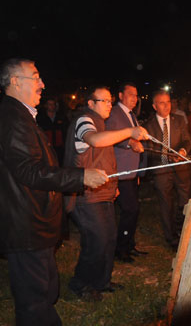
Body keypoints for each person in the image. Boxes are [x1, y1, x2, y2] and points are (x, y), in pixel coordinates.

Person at [0, 58, 109, 326]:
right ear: (15, 81)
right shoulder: (11, 118)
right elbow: (30, 171)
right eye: (36, 77)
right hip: (23, 222)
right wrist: (80, 176)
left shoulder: (21, 115)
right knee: (34, 299)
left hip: (33, 219)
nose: (43, 84)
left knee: (47, 285)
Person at [64, 85, 148, 301]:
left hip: (103, 191)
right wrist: (130, 132)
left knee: (109, 238)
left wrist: (114, 185)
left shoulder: (101, 123)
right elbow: (93, 140)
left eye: (111, 101)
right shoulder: (85, 120)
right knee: (97, 240)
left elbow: (105, 157)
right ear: (91, 103)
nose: (110, 104)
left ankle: (101, 281)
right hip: (86, 194)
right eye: (105, 101)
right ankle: (80, 283)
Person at [143, 90, 191, 249]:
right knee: (166, 203)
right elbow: (148, 150)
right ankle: (171, 237)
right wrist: (164, 156)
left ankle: (184, 230)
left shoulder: (178, 120)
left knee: (184, 201)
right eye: (162, 103)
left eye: (168, 102)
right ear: (154, 106)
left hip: (181, 168)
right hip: (161, 170)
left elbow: (187, 140)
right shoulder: (148, 126)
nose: (167, 106)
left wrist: (183, 151)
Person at [106, 82, 147, 264]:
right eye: (131, 94)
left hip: (131, 171)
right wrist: (129, 143)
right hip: (120, 171)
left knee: (133, 210)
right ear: (121, 95)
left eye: (136, 95)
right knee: (130, 210)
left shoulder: (131, 115)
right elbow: (110, 136)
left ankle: (129, 244)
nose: (134, 98)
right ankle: (120, 249)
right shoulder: (115, 113)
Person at [37, 96, 69, 163]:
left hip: (60, 148)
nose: (52, 106)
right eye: (49, 104)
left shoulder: (61, 117)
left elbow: (66, 131)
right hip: (46, 148)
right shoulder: (40, 118)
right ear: (46, 106)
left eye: (53, 104)